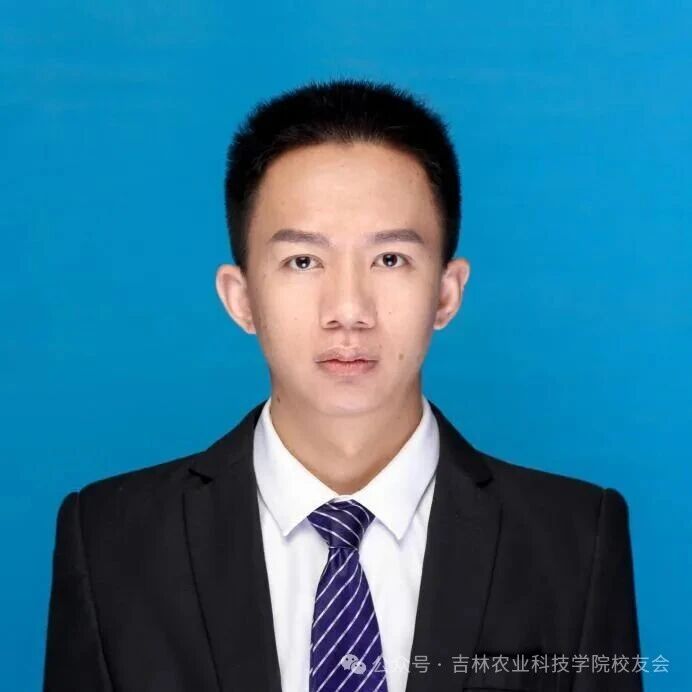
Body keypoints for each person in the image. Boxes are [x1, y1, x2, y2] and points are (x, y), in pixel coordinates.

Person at [43, 79, 642, 692]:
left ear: (446, 292)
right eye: (303, 261)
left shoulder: (575, 543)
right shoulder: (111, 543)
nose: (349, 310)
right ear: (241, 298)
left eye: (390, 259)